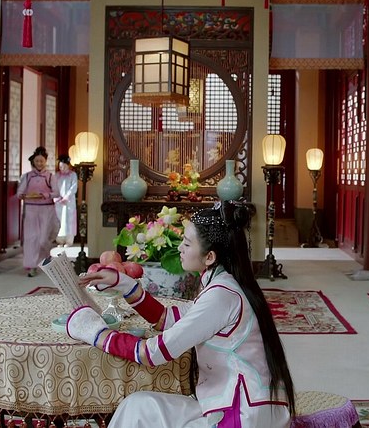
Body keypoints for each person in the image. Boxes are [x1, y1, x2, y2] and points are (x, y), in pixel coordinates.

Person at [67, 201, 295, 427]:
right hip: (239, 405)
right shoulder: (223, 283)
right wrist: (124, 284)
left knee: (138, 409)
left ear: (210, 257)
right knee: (137, 406)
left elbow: (152, 353)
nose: (179, 249)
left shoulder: (221, 296)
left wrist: (95, 333)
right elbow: (166, 318)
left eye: (186, 243)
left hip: (240, 416)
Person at [17, 146, 60, 277]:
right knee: (31, 238)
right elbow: (20, 193)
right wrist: (24, 195)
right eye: (37, 161)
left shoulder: (50, 176)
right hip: (31, 209)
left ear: (45, 161)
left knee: (43, 239)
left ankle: (44, 260)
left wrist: (44, 195)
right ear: (33, 162)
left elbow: (57, 193)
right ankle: (32, 266)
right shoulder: (27, 176)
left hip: (46, 209)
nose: (39, 163)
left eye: (41, 161)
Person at [54, 154, 78, 247]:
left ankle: (69, 241)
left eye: (64, 166)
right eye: (60, 167)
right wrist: (57, 197)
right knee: (59, 220)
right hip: (59, 201)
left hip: (69, 201)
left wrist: (67, 196)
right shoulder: (56, 175)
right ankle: (60, 241)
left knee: (69, 220)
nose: (62, 169)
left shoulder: (73, 175)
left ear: (68, 165)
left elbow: (74, 187)